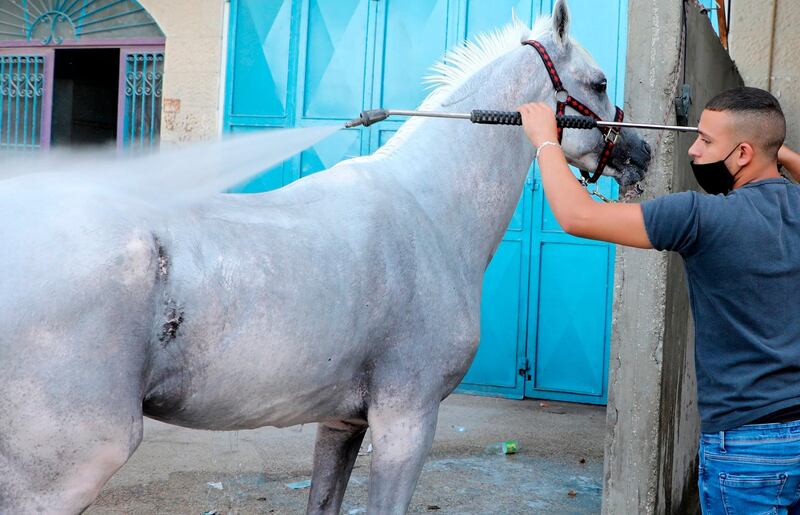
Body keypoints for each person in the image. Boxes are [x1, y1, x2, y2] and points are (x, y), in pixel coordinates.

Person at [518, 86, 800, 514]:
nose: (694, 151)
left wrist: (544, 140)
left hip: (745, 450)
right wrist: (774, 153)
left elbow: (578, 216)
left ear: (743, 153)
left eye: (706, 141)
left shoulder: (700, 217)